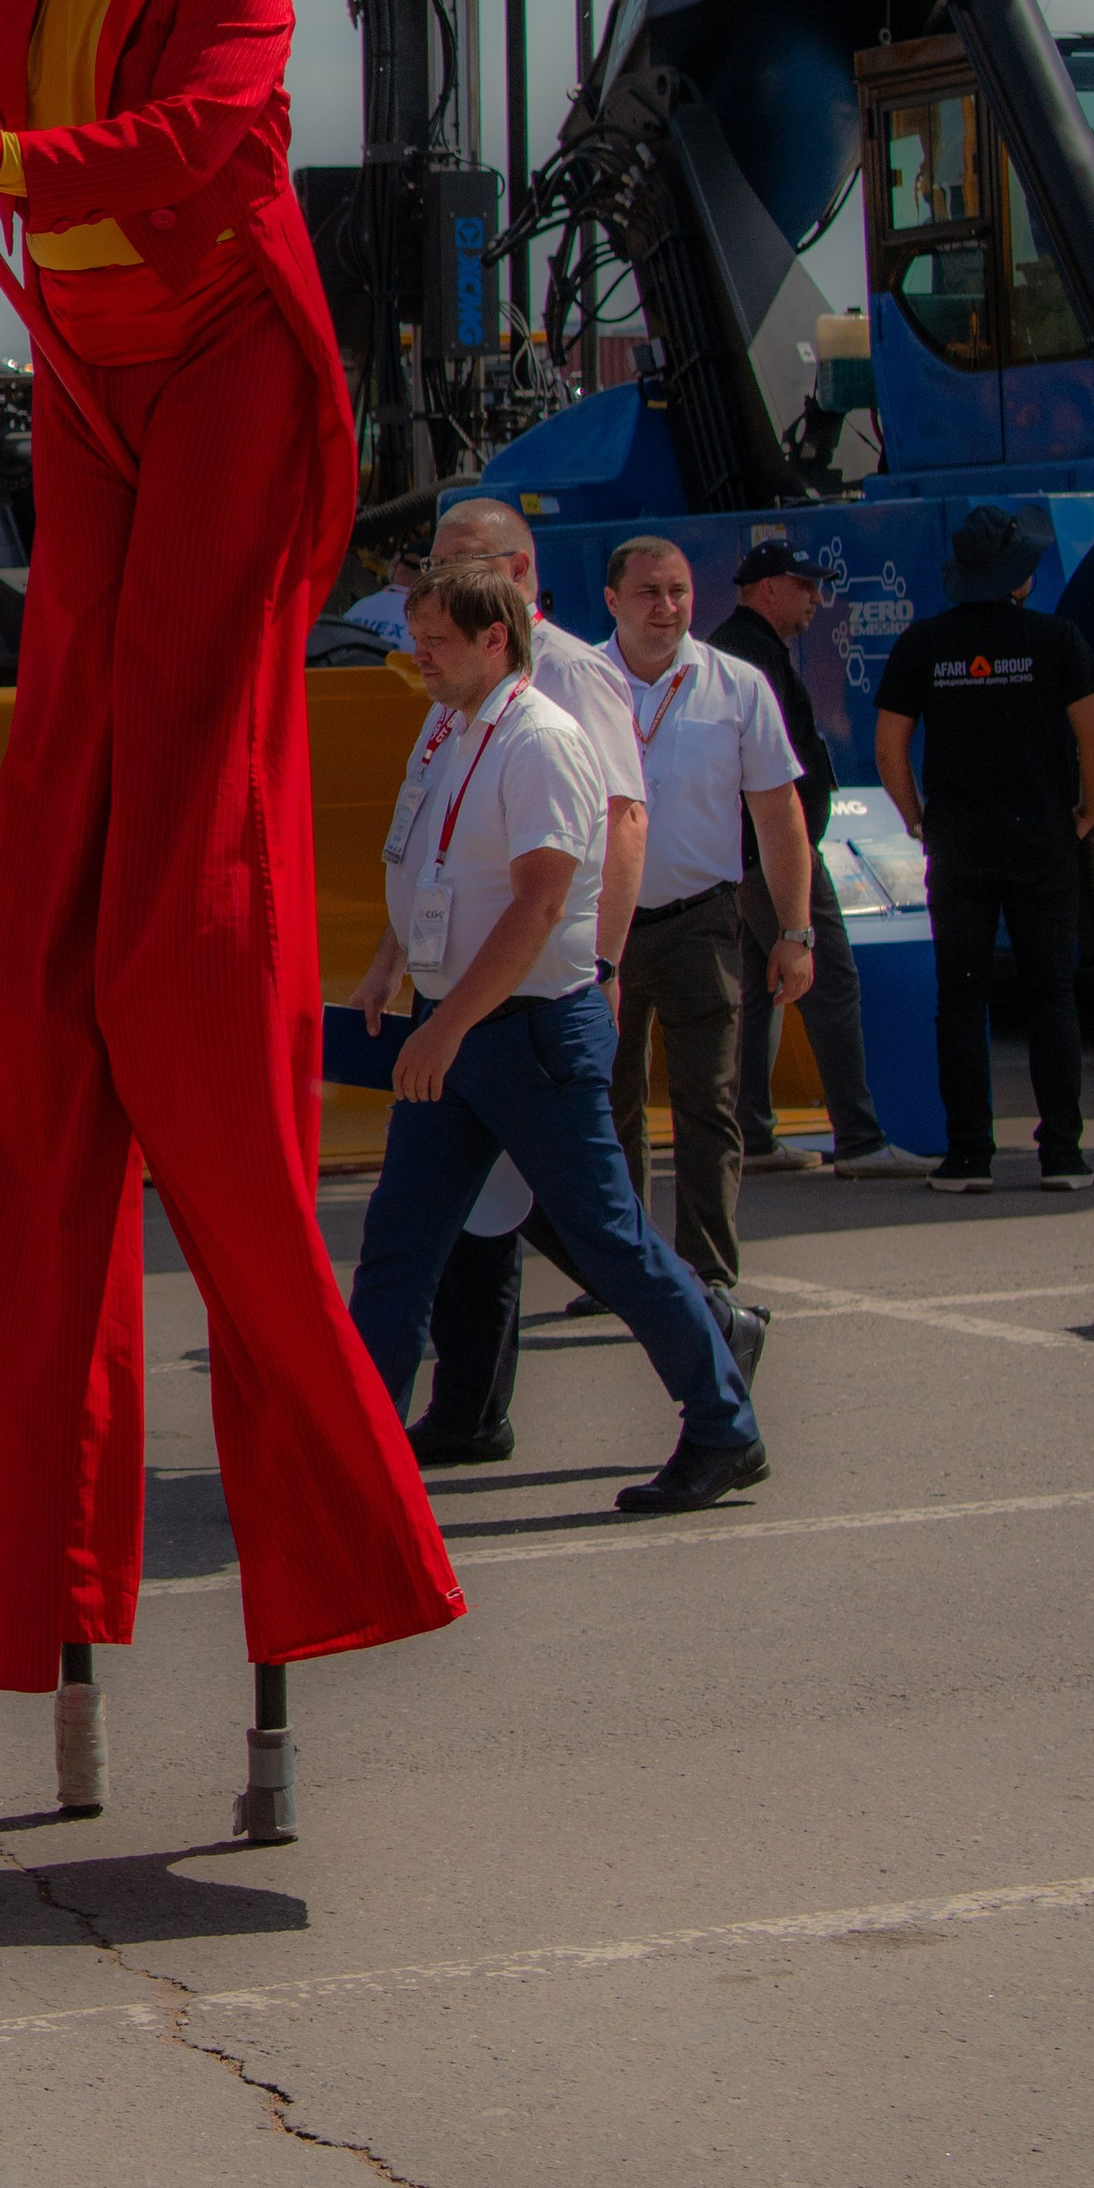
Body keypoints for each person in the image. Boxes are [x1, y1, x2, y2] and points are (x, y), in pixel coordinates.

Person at [0, 0, 463, 1803]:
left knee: (177, 848)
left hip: (223, 369)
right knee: (58, 828)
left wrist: (2, 146)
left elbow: (215, 146)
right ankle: (90, 956)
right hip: (87, 388)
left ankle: (162, 950)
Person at [345, 563, 768, 1517]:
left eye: (438, 641)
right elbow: (433, 860)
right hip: (460, 1027)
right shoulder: (453, 724)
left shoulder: (541, 742)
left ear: (497, 640)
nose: (422, 656)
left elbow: (537, 906)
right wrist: (395, 964)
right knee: (401, 1244)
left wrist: (444, 1027)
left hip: (525, 1033)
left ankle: (723, 1428)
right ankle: (354, 1452)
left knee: (608, 1242)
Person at [403, 493, 650, 1464]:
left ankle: (706, 1330)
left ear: (514, 573)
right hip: (468, 979)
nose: (435, 581)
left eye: (458, 563)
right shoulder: (454, 673)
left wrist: (602, 967)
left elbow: (621, 822)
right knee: (480, 1203)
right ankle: (469, 1406)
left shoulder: (571, 676)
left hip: (539, 985)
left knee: (556, 1202)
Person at [874, 501, 1094, 1192]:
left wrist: (917, 820)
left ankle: (968, 1154)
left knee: (962, 997)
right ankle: (1062, 1154)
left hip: (960, 846)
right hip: (1043, 839)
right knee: (1051, 998)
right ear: (1021, 577)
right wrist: (1087, 814)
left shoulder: (924, 644)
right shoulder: (1058, 640)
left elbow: (891, 748)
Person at [603, 534, 816, 1295]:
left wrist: (794, 932)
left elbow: (778, 815)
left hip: (702, 921)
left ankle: (708, 1276)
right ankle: (621, 1271)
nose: (667, 608)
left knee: (708, 1106)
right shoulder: (577, 685)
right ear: (612, 601)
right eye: (649, 594)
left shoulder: (738, 686)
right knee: (609, 1105)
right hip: (602, 930)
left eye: (679, 592)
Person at [712, 539, 931, 1182]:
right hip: (772, 854)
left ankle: (751, 1136)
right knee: (828, 982)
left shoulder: (746, 649)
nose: (818, 597)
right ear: (767, 588)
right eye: (806, 585)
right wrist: (787, 865)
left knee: (758, 992)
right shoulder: (749, 655)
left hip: (748, 853)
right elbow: (763, 771)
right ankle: (861, 1141)